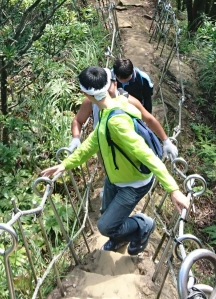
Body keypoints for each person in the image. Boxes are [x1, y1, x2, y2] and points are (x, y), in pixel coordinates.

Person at [41, 67, 189, 256]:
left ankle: (143, 226)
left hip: (133, 183)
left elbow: (147, 155)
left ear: (86, 93)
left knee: (105, 226)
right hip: (116, 176)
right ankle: (119, 240)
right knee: (106, 213)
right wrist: (65, 165)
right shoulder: (109, 108)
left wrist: (173, 190)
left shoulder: (115, 121)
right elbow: (93, 142)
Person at [65, 80, 178, 161]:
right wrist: (76, 137)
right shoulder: (90, 102)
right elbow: (78, 120)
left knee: (128, 164)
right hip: (101, 140)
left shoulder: (129, 101)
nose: (106, 93)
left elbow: (148, 119)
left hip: (127, 140)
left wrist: (166, 140)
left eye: (108, 88)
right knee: (106, 163)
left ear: (115, 84)